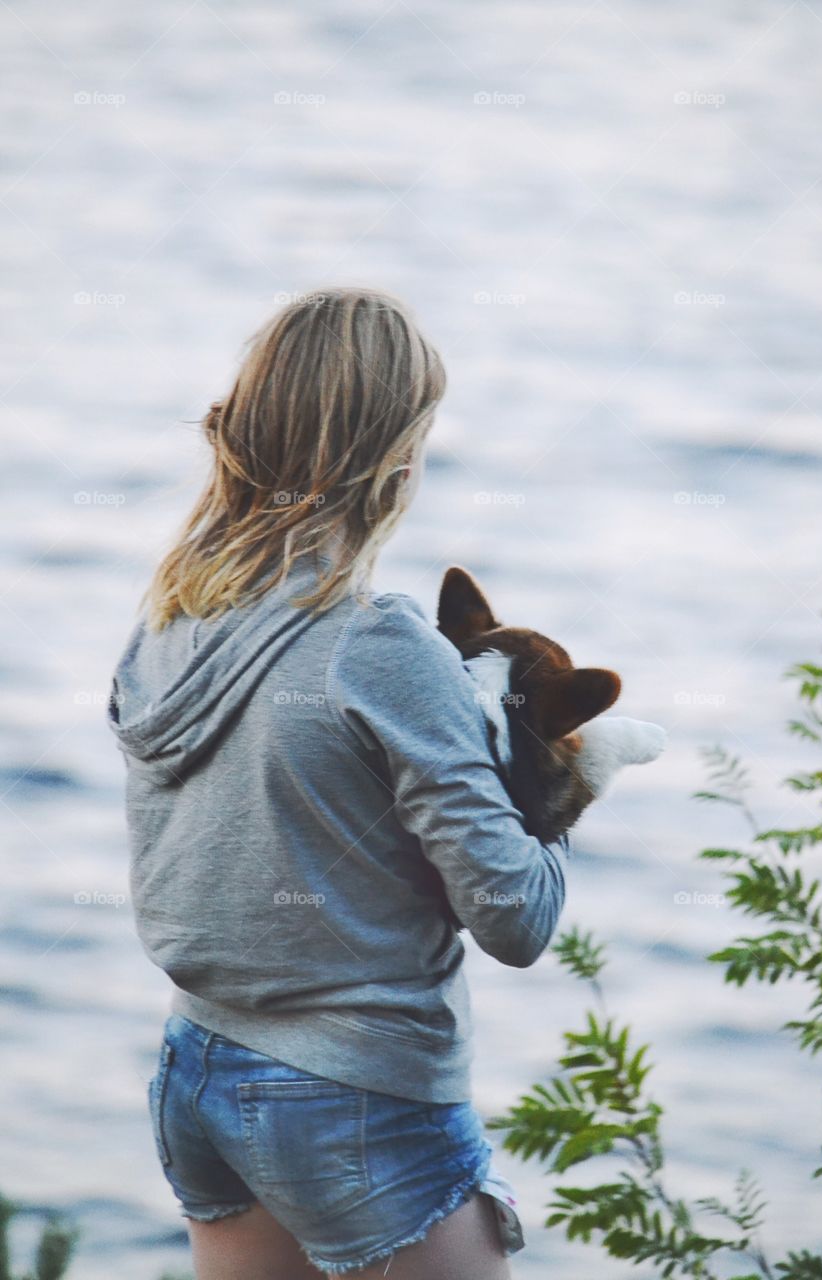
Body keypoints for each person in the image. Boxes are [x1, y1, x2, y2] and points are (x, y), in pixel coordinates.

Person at [107, 287, 571, 1279]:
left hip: (199, 1067)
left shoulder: (167, 621)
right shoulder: (380, 645)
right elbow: (516, 919)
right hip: (360, 1097)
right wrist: (553, 780)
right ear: (396, 456)